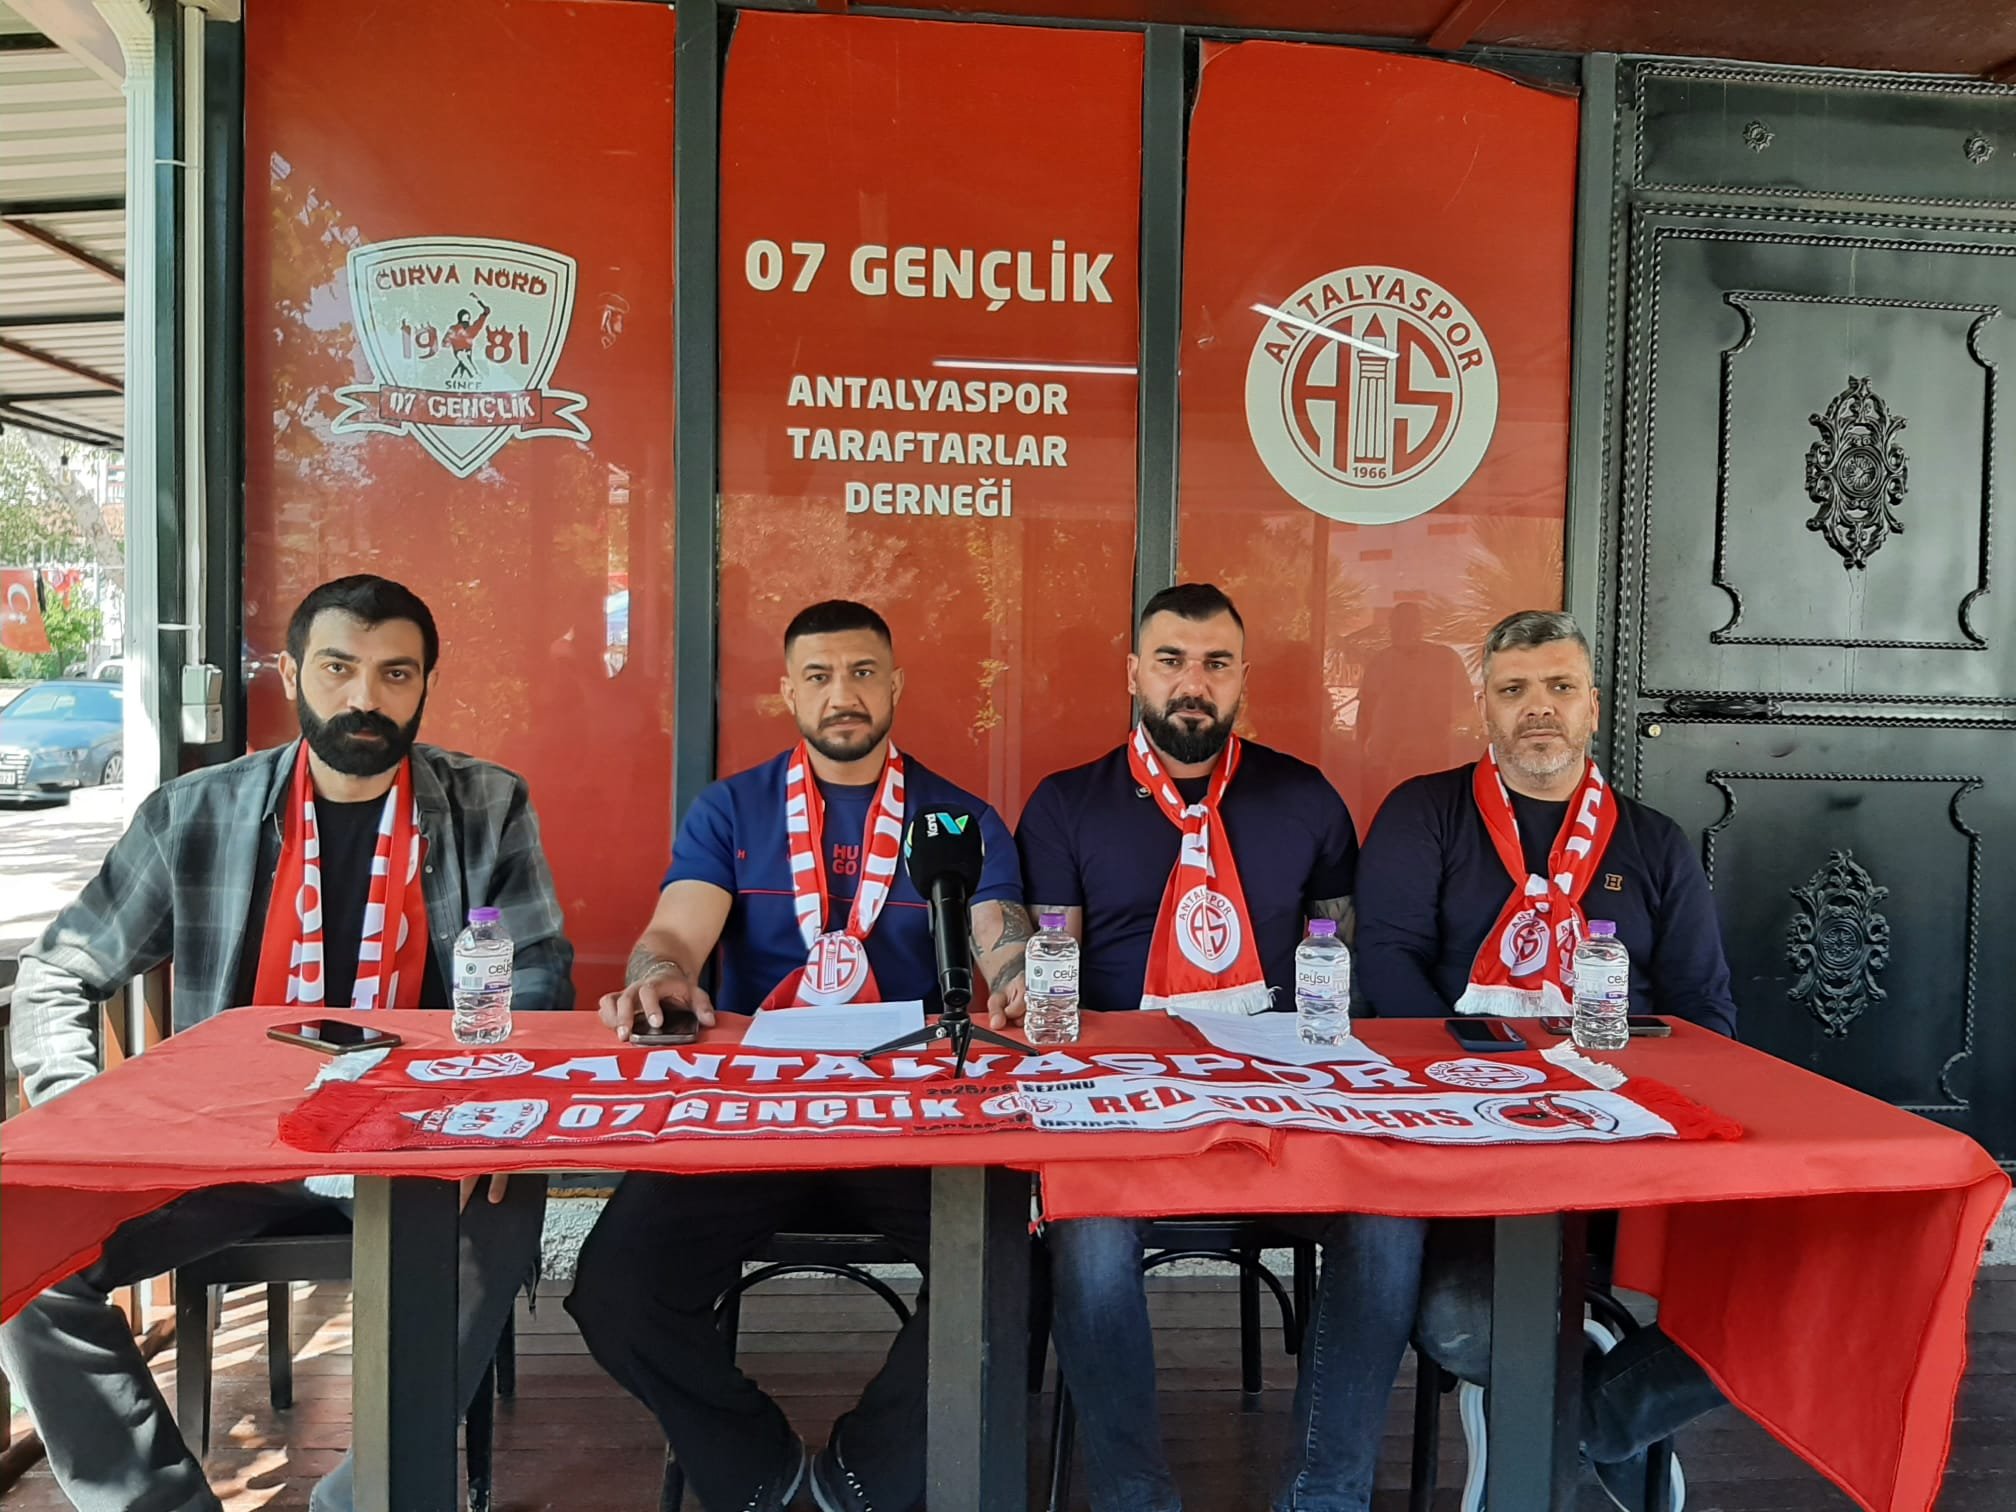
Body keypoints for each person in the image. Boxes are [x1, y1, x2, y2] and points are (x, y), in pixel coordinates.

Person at [1, 574, 573, 1512]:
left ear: (425, 685)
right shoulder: (196, 812)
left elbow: (540, 983)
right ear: (292, 671)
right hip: (219, 1149)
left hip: (414, 1144)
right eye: (338, 668)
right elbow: (59, 971)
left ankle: (360, 1498)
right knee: (21, 1253)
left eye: (395, 674)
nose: (364, 698)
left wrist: (491, 1116)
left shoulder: (486, 804)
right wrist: (78, 1114)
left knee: (507, 1201)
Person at [566, 599, 1031, 1512]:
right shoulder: (732, 809)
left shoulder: (958, 818)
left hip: (911, 1118)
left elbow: (1000, 937)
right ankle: (764, 1478)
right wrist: (660, 976)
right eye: (819, 676)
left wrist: (1019, 979)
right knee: (617, 1286)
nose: (842, 694)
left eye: (862, 672)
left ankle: (864, 1481)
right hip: (757, 1113)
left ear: (895, 685)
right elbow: (674, 935)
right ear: (788, 692)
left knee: (1020, 1271)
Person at [1010, 582, 1423, 1512]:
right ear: (1134, 673)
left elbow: (1338, 967)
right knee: (1087, 1237)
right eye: (1171, 661)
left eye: (1216, 664)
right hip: (1125, 1104)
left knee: (1389, 1222)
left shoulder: (1303, 797)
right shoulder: (1068, 804)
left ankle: (1324, 1497)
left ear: (1242, 679)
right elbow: (1052, 977)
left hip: (1281, 1100)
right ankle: (1136, 1501)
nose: (1192, 684)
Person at [1355, 608, 1736, 1510]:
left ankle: (1590, 1414)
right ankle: (1592, 1390)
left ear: (1592, 707)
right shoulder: (1423, 814)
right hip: (1471, 1141)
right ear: (1484, 708)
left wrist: (1621, 1090)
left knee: (1780, 1289)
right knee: (1458, 1320)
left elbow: (1707, 1013)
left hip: (1628, 1145)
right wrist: (1495, 1081)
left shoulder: (1654, 841)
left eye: (1560, 687)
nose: (1539, 708)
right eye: (1514, 689)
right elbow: (1386, 969)